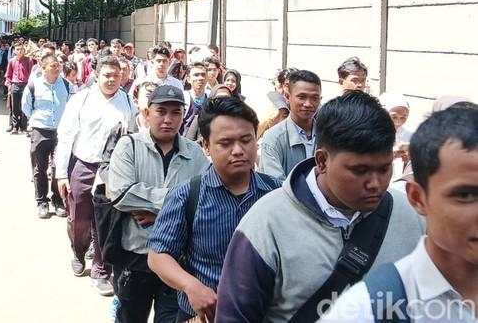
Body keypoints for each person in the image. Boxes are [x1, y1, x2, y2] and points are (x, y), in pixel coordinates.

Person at [215, 91, 425, 323]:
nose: (375, 183)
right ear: (322, 160)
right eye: (360, 170)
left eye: (384, 169)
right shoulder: (266, 223)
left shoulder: (413, 216)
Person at [318, 105, 478, 323]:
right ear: (418, 198)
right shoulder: (365, 310)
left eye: (383, 169)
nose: (374, 184)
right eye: (465, 195)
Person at [149, 97, 282, 322]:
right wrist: (191, 286)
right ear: (206, 146)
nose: (238, 150)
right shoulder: (187, 195)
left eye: (246, 140)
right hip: (205, 316)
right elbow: (158, 255)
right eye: (226, 143)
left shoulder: (277, 193)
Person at [109, 85, 211, 323]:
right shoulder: (129, 146)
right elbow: (121, 194)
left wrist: (159, 213)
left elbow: (205, 199)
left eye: (175, 112)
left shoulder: (195, 153)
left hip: (177, 259)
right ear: (147, 113)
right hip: (136, 255)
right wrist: (179, 204)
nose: (168, 119)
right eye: (161, 111)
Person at [55, 55, 137, 296]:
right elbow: (66, 137)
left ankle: (101, 270)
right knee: (78, 218)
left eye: (116, 76)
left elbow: (132, 135)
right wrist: (61, 174)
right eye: (107, 75)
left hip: (111, 170)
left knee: (106, 221)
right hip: (83, 165)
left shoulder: (127, 102)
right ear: (96, 75)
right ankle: (79, 251)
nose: (112, 80)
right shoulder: (81, 100)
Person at [21, 53, 71, 219]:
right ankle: (42, 201)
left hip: (61, 132)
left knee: (59, 167)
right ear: (43, 68)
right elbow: (26, 106)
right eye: (53, 66)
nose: (57, 69)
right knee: (39, 168)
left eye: (58, 66)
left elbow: (73, 105)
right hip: (40, 131)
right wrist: (36, 120)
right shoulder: (33, 85)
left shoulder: (66, 85)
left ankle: (58, 200)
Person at [259, 70, 321, 180]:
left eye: (314, 98)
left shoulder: (327, 135)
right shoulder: (273, 138)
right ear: (288, 97)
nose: (308, 104)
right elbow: (275, 184)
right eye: (302, 97)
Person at [5, 43, 34, 134]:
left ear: (24, 51)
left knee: (24, 106)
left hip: (25, 85)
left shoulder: (29, 60)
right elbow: (8, 75)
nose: (19, 51)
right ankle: (15, 126)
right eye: (17, 49)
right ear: (14, 51)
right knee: (14, 107)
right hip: (15, 84)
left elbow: (31, 74)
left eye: (21, 49)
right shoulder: (12, 61)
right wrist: (9, 85)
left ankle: (23, 127)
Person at [182, 62, 210, 136]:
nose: (200, 78)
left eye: (203, 75)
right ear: (188, 79)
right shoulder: (183, 98)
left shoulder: (211, 98)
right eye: (196, 75)